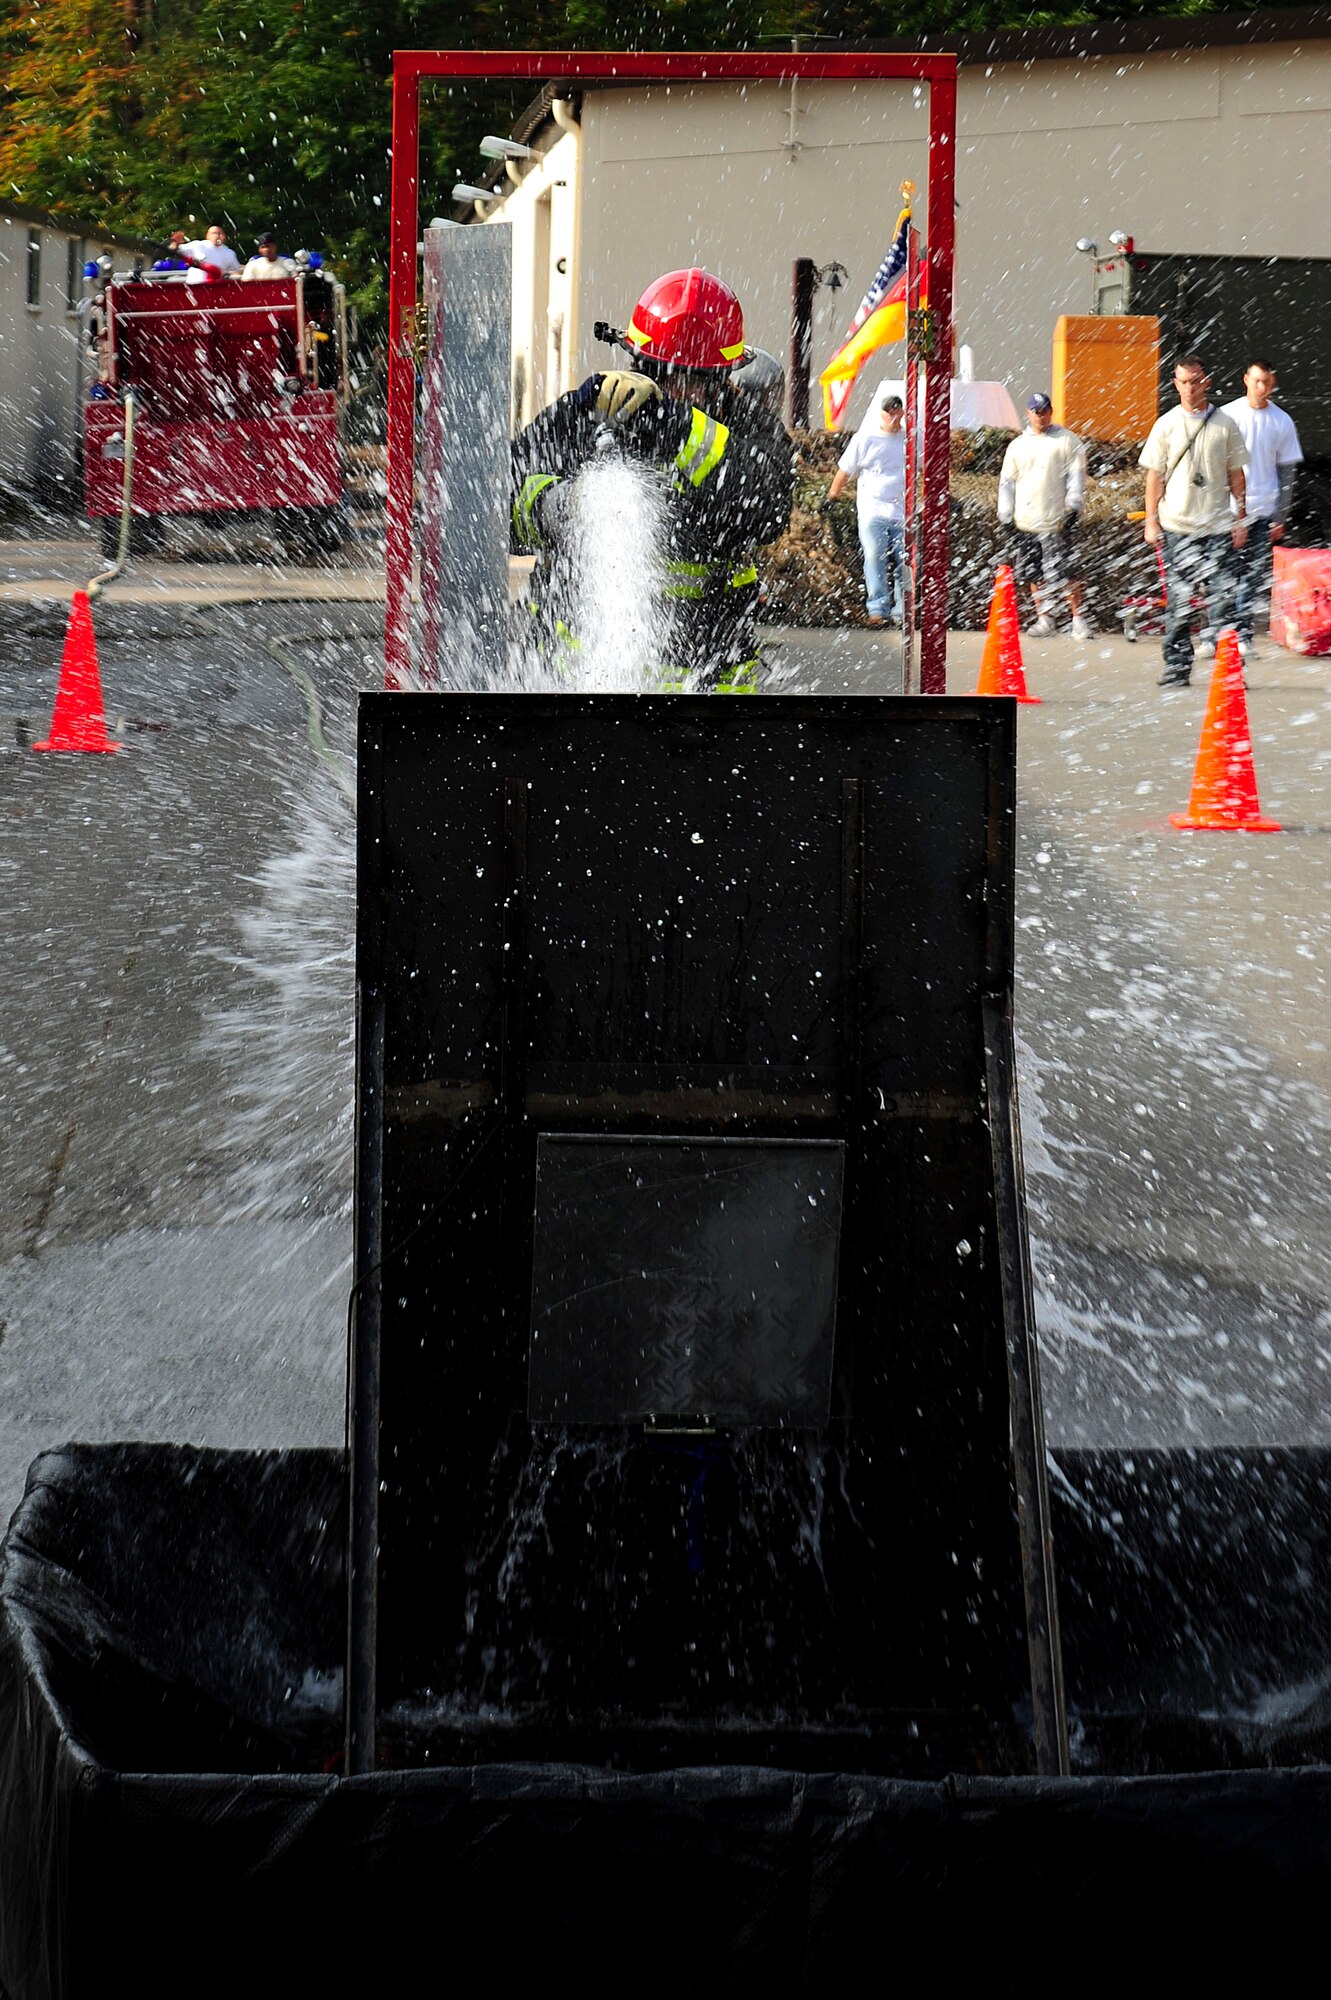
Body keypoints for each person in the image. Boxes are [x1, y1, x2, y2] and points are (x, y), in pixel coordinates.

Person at [510, 268, 792, 692]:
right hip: (574, 683)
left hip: (712, 691)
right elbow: (501, 509)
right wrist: (567, 506)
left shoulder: (748, 427)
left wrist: (677, 428)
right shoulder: (587, 414)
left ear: (725, 377)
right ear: (636, 361)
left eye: (696, 381)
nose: (679, 391)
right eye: (664, 374)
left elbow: (765, 510)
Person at [1139, 354, 1249, 688]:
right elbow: (1154, 478)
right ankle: (1176, 667)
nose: (1189, 387)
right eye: (1183, 381)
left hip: (1216, 527)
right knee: (1179, 603)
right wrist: (1151, 520)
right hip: (1178, 528)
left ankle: (1229, 670)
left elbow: (1236, 475)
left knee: (1223, 602)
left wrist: (1240, 517)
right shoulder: (1166, 425)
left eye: (1195, 380)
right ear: (1176, 384)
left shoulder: (1225, 424)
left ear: (1206, 381)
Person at [1220, 359, 1303, 655]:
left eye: (1266, 382)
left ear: (1273, 383)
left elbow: (1287, 472)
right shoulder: (1227, 415)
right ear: (1245, 380)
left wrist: (1280, 514)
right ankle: (1219, 634)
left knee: (1252, 576)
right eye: (1256, 381)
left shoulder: (1281, 421)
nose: (1261, 388)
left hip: (1263, 510)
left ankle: (1242, 635)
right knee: (1223, 573)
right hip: (1227, 511)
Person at [997, 393, 1092, 639]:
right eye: (1036, 411)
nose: (1041, 416)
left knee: (1068, 571)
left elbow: (1076, 477)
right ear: (1028, 414)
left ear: (1051, 411)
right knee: (1034, 572)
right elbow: (1007, 482)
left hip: (1056, 520)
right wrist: (1006, 513)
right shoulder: (1018, 445)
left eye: (1044, 411)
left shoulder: (1068, 441)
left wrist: (1073, 506)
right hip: (1027, 520)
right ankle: (1045, 617)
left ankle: (1078, 619)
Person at [823, 395, 907, 628]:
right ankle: (877, 609)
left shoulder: (909, 439)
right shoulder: (866, 438)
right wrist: (832, 495)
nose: (893, 416)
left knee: (905, 561)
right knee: (874, 556)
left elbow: (924, 467)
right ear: (880, 414)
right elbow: (844, 470)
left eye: (896, 411)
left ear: (901, 413)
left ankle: (903, 610)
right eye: (888, 411)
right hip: (873, 510)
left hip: (901, 512)